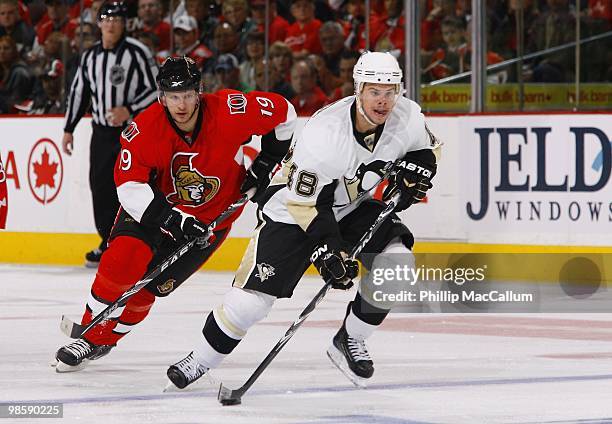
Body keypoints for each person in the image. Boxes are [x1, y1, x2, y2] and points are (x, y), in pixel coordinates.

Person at [166, 51, 441, 390]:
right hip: (292, 212)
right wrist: (329, 251)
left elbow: (427, 148)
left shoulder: (408, 116)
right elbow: (305, 204)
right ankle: (201, 359)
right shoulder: (324, 134)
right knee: (249, 304)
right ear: (358, 89)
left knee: (398, 263)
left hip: (351, 206)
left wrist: (418, 169)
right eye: (374, 91)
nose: (382, 101)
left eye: (389, 92)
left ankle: (349, 339)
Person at [54, 56, 297, 372]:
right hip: (155, 210)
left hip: (211, 220)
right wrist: (169, 217)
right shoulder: (144, 128)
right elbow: (129, 187)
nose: (180, 104)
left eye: (186, 94)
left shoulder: (231, 110)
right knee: (121, 263)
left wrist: (266, 162)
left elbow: (285, 114)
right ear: (161, 96)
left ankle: (106, 340)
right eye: (172, 96)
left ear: (198, 91)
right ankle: (88, 333)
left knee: (149, 289)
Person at [62, 1, 158, 268]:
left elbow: (156, 89)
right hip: (102, 133)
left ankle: (142, 240)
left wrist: (130, 109)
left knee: (135, 185)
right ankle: (109, 242)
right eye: (106, 18)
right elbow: (79, 93)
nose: (111, 23)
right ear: (99, 23)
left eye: (117, 19)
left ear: (124, 23)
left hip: (134, 132)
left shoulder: (137, 53)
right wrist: (68, 129)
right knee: (101, 186)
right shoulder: (89, 56)